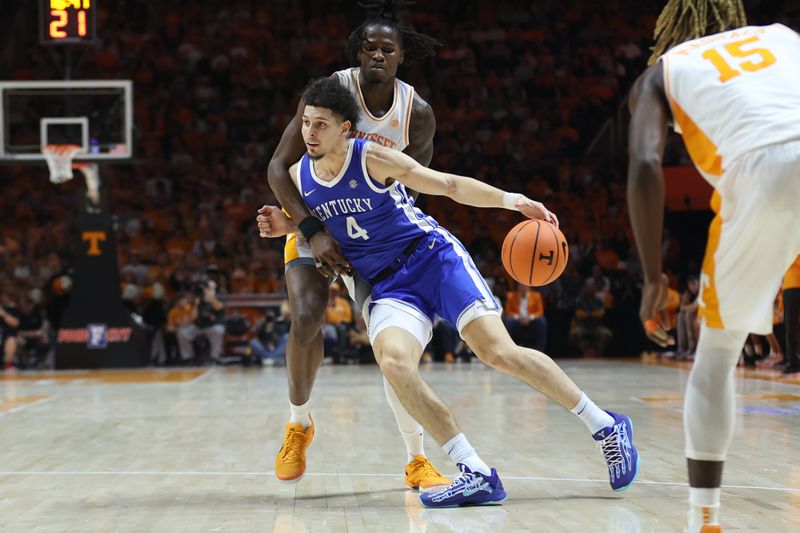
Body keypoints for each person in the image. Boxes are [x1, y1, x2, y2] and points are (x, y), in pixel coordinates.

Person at [285, 77, 639, 508]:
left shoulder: (372, 157)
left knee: (498, 352)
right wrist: (287, 225)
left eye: (320, 125)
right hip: (389, 286)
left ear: (345, 129)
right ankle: (474, 471)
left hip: (433, 258)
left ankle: (606, 426)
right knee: (394, 362)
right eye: (306, 123)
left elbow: (448, 185)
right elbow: (327, 225)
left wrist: (513, 201)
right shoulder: (299, 176)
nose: (309, 133)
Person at [257, 1, 449, 491]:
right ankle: (298, 423)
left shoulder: (416, 114)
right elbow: (278, 168)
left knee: (393, 349)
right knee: (305, 314)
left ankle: (416, 458)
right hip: (316, 223)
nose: (378, 55)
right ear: (357, 52)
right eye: (369, 47)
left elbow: (415, 189)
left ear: (402, 55)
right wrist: (310, 228)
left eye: (388, 48)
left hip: (374, 241)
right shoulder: (329, 94)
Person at [626, 3, 800, 531]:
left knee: (717, 356)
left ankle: (706, 520)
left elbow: (644, 163)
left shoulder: (663, 72)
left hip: (762, 173)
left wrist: (654, 277)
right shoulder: (782, 36)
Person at [569, 280, 613, 357]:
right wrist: (592, 314)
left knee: (607, 334)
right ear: (585, 289)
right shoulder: (579, 301)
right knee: (574, 334)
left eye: (592, 288)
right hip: (583, 326)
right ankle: (585, 352)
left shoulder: (599, 301)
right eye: (589, 288)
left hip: (596, 327)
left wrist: (587, 314)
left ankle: (598, 353)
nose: (591, 290)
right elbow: (579, 314)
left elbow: (600, 314)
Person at [504, 283, 547, 351]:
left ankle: (540, 349)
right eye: (521, 286)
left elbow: (540, 311)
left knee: (542, 321)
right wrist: (518, 317)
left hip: (531, 320)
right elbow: (508, 311)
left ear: (528, 287)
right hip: (517, 319)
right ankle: (508, 348)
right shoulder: (511, 296)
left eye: (525, 286)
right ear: (518, 287)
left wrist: (530, 318)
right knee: (508, 320)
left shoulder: (536, 295)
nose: (523, 288)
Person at [782, 256, 800, 373]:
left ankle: (793, 362)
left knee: (791, 326)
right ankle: (793, 361)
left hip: (791, 286)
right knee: (791, 327)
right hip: (791, 285)